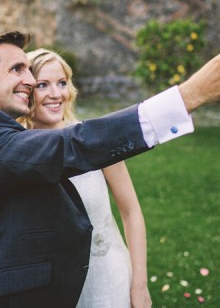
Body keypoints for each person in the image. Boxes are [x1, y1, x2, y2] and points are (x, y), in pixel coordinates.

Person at [0, 31, 220, 307]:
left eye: (29, 70)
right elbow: (72, 146)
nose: (28, 80)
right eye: (17, 70)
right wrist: (188, 95)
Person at [18, 48, 151, 308]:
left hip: (107, 283)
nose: (56, 94)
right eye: (43, 85)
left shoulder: (95, 141)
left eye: (62, 83)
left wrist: (140, 285)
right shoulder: (14, 151)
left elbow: (131, 212)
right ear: (26, 91)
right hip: (48, 288)